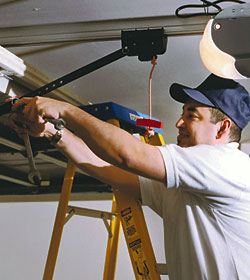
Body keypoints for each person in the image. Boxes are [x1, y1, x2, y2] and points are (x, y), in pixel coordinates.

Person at [9, 73, 250, 280]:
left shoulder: (229, 164)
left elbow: (129, 156)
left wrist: (65, 110)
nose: (179, 123)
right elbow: (107, 167)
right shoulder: (188, 182)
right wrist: (52, 131)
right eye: (182, 113)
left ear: (222, 128)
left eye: (191, 115)